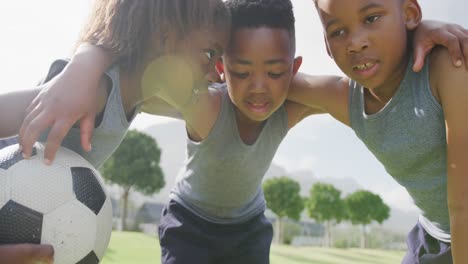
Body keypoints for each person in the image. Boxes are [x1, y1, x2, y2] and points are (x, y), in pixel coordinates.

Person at [1, 1, 467, 264]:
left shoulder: (290, 104)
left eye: (274, 73)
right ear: (220, 67)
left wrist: (418, 29)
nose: (256, 88)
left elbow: (357, 80)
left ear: (293, 70)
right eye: (233, 67)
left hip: (250, 227)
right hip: (192, 223)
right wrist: (89, 58)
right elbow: (134, 55)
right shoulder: (200, 100)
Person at [0, 0, 230, 262]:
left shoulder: (135, 94)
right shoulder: (95, 91)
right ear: (166, 36)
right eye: (210, 55)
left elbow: (217, 104)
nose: (216, 74)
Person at [286, 0, 468, 263]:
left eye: (371, 18)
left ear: (410, 13)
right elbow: (269, 80)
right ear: (326, 44)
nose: (355, 42)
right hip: (432, 237)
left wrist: (422, 28)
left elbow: (463, 207)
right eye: (337, 32)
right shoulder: (347, 99)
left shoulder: (449, 65)